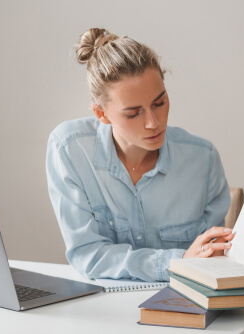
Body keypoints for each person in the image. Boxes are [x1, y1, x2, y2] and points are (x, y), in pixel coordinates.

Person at [46, 28, 233, 282]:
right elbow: (87, 254)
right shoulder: (69, 149)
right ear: (101, 114)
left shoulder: (204, 160)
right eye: (133, 113)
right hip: (102, 313)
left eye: (159, 102)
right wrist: (176, 263)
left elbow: (209, 258)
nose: (153, 122)